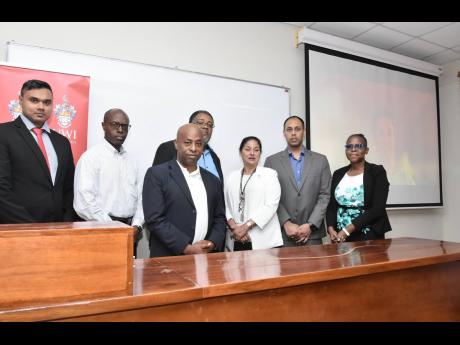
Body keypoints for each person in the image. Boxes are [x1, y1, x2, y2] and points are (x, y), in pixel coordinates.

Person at [143, 123, 226, 257]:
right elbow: (154, 219)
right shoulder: (157, 174)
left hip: (204, 258)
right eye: (187, 143)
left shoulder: (212, 180)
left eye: (199, 144)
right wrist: (186, 247)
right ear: (176, 144)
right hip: (168, 260)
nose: (193, 148)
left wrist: (211, 242)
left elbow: (220, 218)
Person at [0, 79, 75, 223]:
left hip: (58, 231)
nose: (41, 107)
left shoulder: (62, 142)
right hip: (17, 230)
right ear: (21, 100)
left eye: (47, 102)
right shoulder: (3, 134)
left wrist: (65, 223)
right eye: (34, 100)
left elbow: (68, 189)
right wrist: (31, 228)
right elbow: (2, 191)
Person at [73, 108, 144, 257]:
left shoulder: (133, 161)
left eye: (125, 126)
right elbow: (84, 202)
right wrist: (113, 226)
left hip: (131, 231)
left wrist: (137, 225)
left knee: (129, 278)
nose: (120, 130)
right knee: (101, 277)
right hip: (100, 230)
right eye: (115, 124)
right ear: (103, 126)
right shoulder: (91, 157)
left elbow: (141, 197)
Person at [264, 116, 331, 246]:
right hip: (282, 234)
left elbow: (325, 195)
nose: (293, 133)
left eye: (297, 129)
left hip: (312, 235)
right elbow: (269, 196)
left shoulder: (321, 160)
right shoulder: (271, 161)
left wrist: (310, 225)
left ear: (304, 132)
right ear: (284, 133)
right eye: (289, 129)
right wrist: (286, 222)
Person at [326, 134, 392, 243]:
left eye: (359, 146)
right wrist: (330, 227)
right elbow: (332, 205)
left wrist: (348, 230)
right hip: (340, 236)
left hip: (369, 233)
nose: (353, 149)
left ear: (366, 150)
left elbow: (378, 208)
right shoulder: (338, 173)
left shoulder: (377, 172)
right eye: (349, 146)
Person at [225, 136, 283, 251]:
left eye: (256, 150)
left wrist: (246, 227)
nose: (252, 153)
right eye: (247, 149)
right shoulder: (231, 177)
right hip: (236, 237)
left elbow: (271, 205)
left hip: (263, 239)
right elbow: (225, 205)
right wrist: (235, 228)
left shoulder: (270, 175)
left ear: (260, 154)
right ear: (240, 152)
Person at [152, 110, 223, 183]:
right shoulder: (168, 148)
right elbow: (155, 182)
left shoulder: (214, 158)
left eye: (210, 125)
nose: (206, 126)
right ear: (190, 126)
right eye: (200, 122)